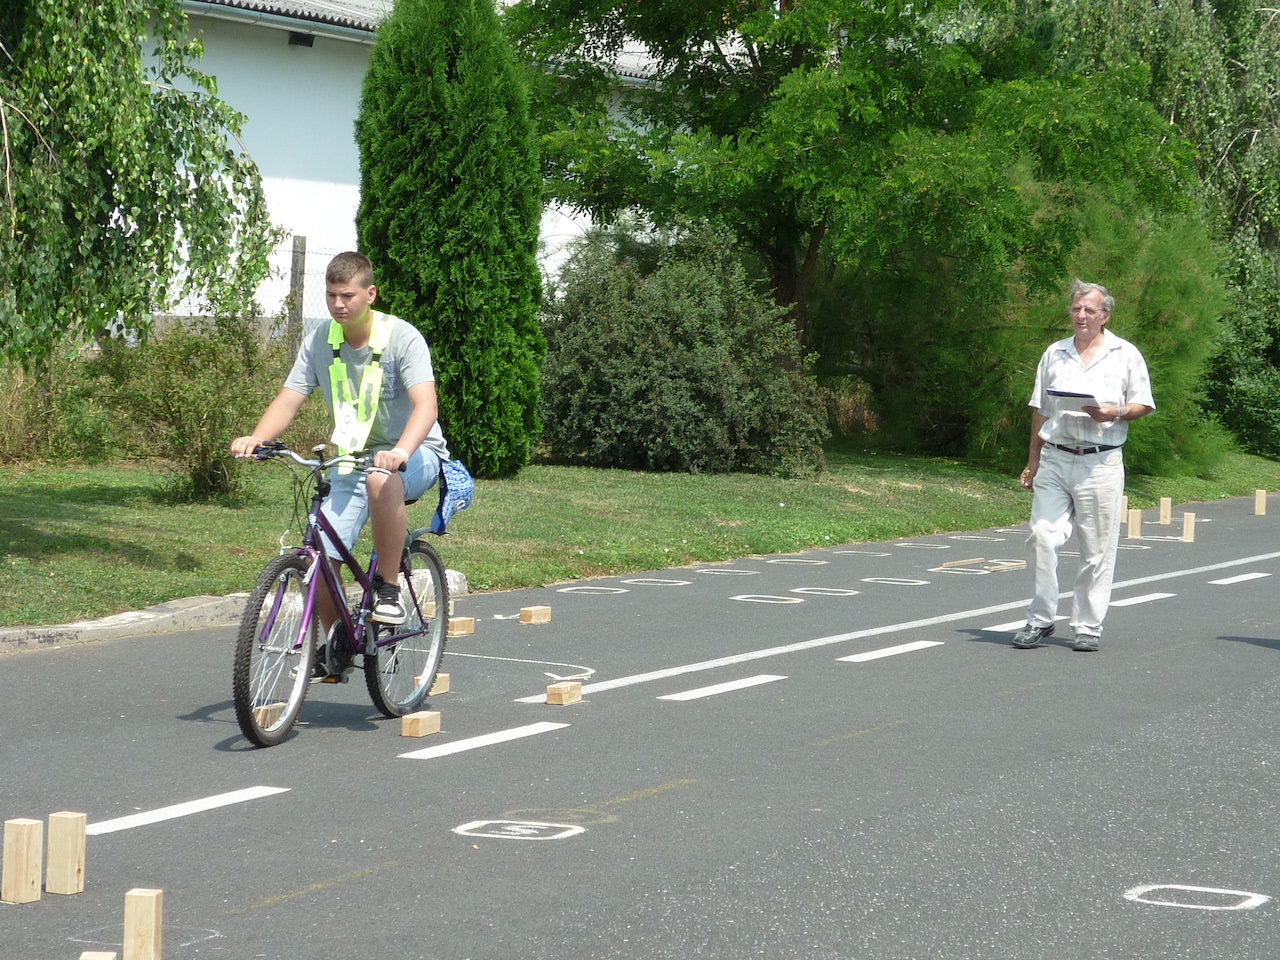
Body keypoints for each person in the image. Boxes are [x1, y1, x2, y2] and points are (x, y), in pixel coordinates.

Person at [231, 251, 449, 638]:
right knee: (319, 556)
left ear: (370, 294)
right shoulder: (320, 340)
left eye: (347, 295)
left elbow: (426, 406)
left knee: (382, 479)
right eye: (332, 295)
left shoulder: (402, 338)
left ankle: (388, 589)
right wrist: (258, 437)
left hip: (415, 452)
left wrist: (400, 452)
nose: (338, 304)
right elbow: (289, 398)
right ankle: (338, 644)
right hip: (353, 459)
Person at [1012, 280, 1155, 652]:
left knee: (1096, 549)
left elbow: (1143, 404)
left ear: (1105, 316)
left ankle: (1087, 625)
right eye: (1076, 309)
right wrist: (1033, 459)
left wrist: (1115, 411)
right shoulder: (1054, 353)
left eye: (1090, 310)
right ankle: (1040, 618)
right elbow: (1040, 409)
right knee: (1042, 536)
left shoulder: (1125, 353)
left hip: (1101, 460)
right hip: (1057, 456)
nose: (1081, 315)